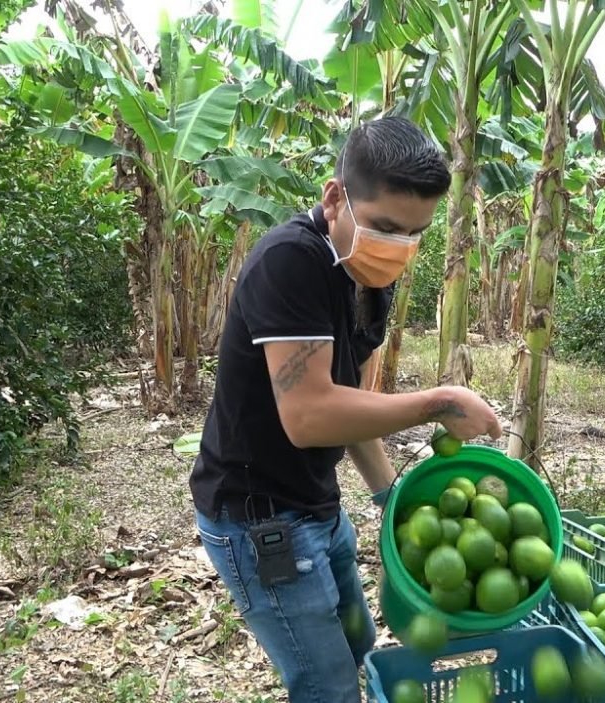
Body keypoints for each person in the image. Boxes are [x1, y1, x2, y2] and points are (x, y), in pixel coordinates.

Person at [189, 116, 502, 702]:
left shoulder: (368, 278)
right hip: (260, 520)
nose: (399, 247)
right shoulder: (290, 261)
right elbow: (309, 416)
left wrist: (389, 498)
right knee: (327, 685)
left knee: (358, 644)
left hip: (317, 503)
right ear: (335, 198)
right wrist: (438, 402)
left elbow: (352, 403)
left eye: (415, 233)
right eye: (386, 227)